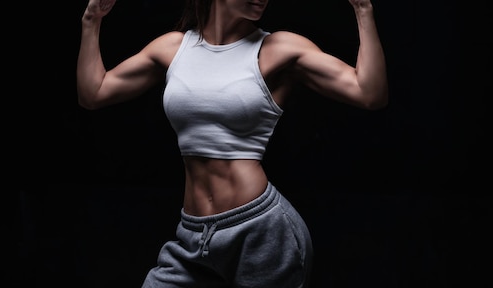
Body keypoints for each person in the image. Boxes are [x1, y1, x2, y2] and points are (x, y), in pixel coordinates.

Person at [76, 0, 388, 286]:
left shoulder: (277, 48)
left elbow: (369, 92)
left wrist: (363, 9)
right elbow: (95, 93)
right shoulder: (174, 48)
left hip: (261, 230)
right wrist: (92, 21)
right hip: (193, 236)